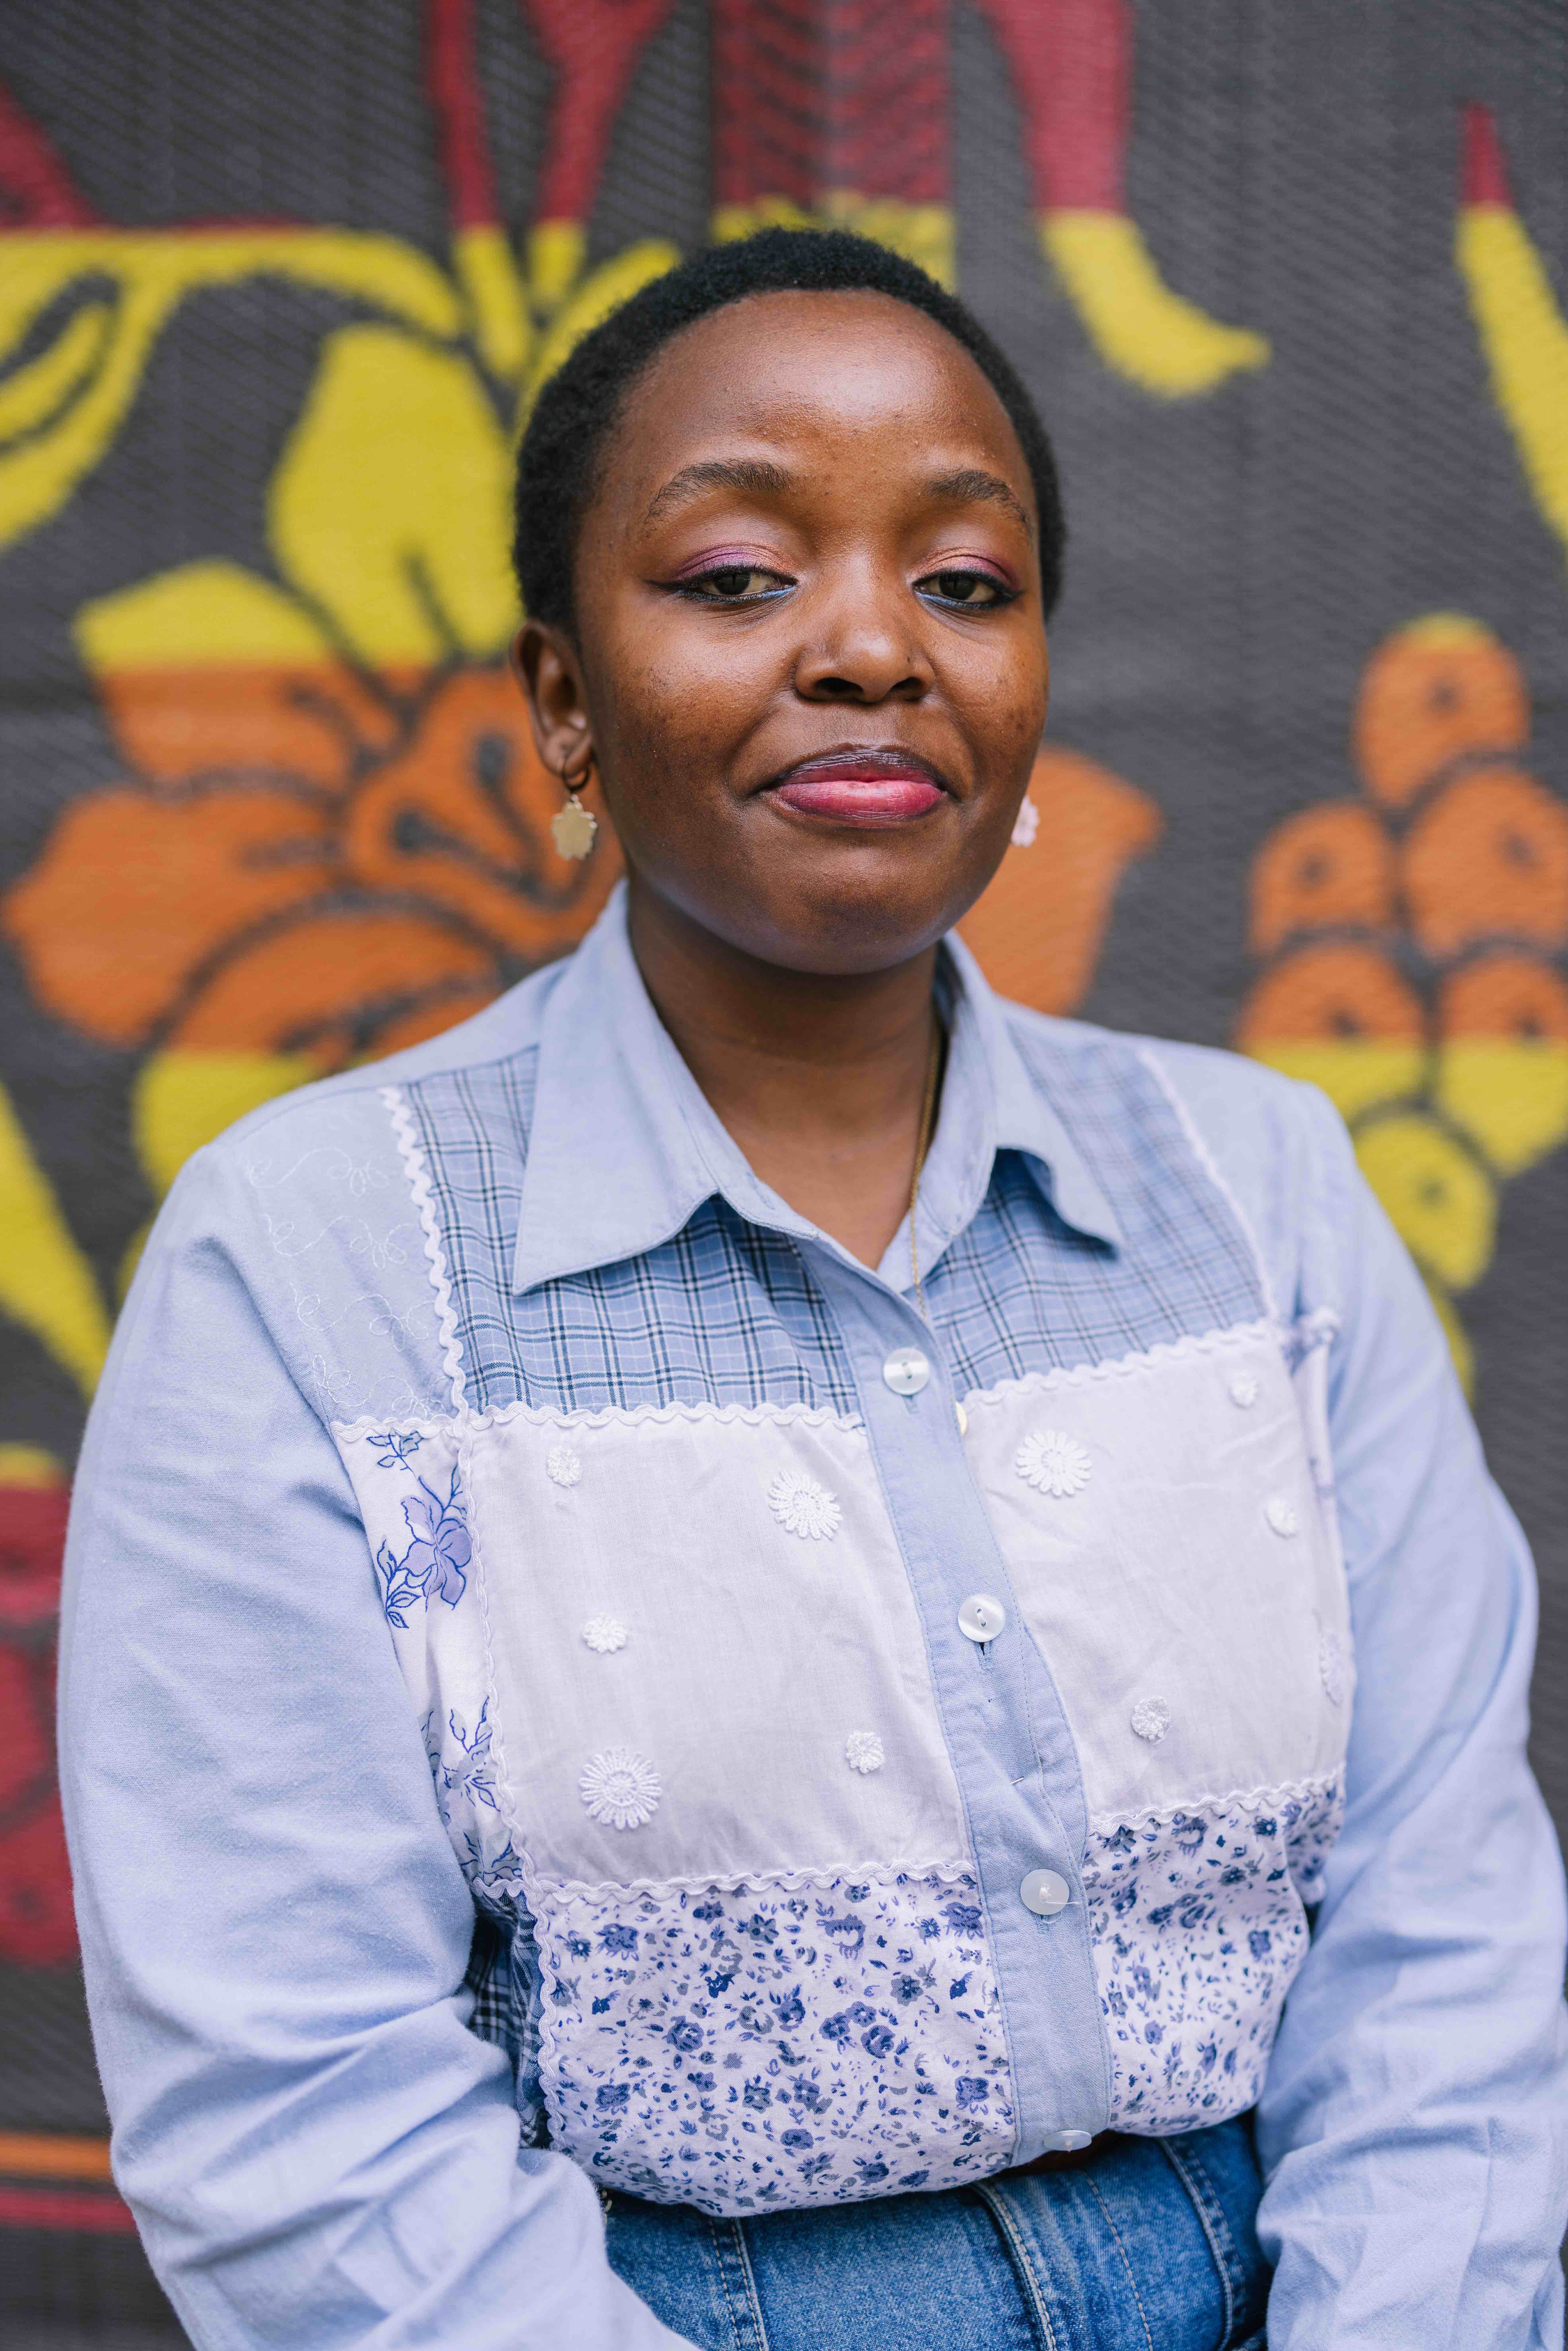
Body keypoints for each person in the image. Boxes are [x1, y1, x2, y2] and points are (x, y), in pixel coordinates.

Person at [60, 228, 1567, 2351]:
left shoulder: (1265, 1198)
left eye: (964, 580)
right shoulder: (313, 1259)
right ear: (563, 699)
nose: (873, 646)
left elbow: (1441, 1933)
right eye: (737, 576)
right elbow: (293, 2109)